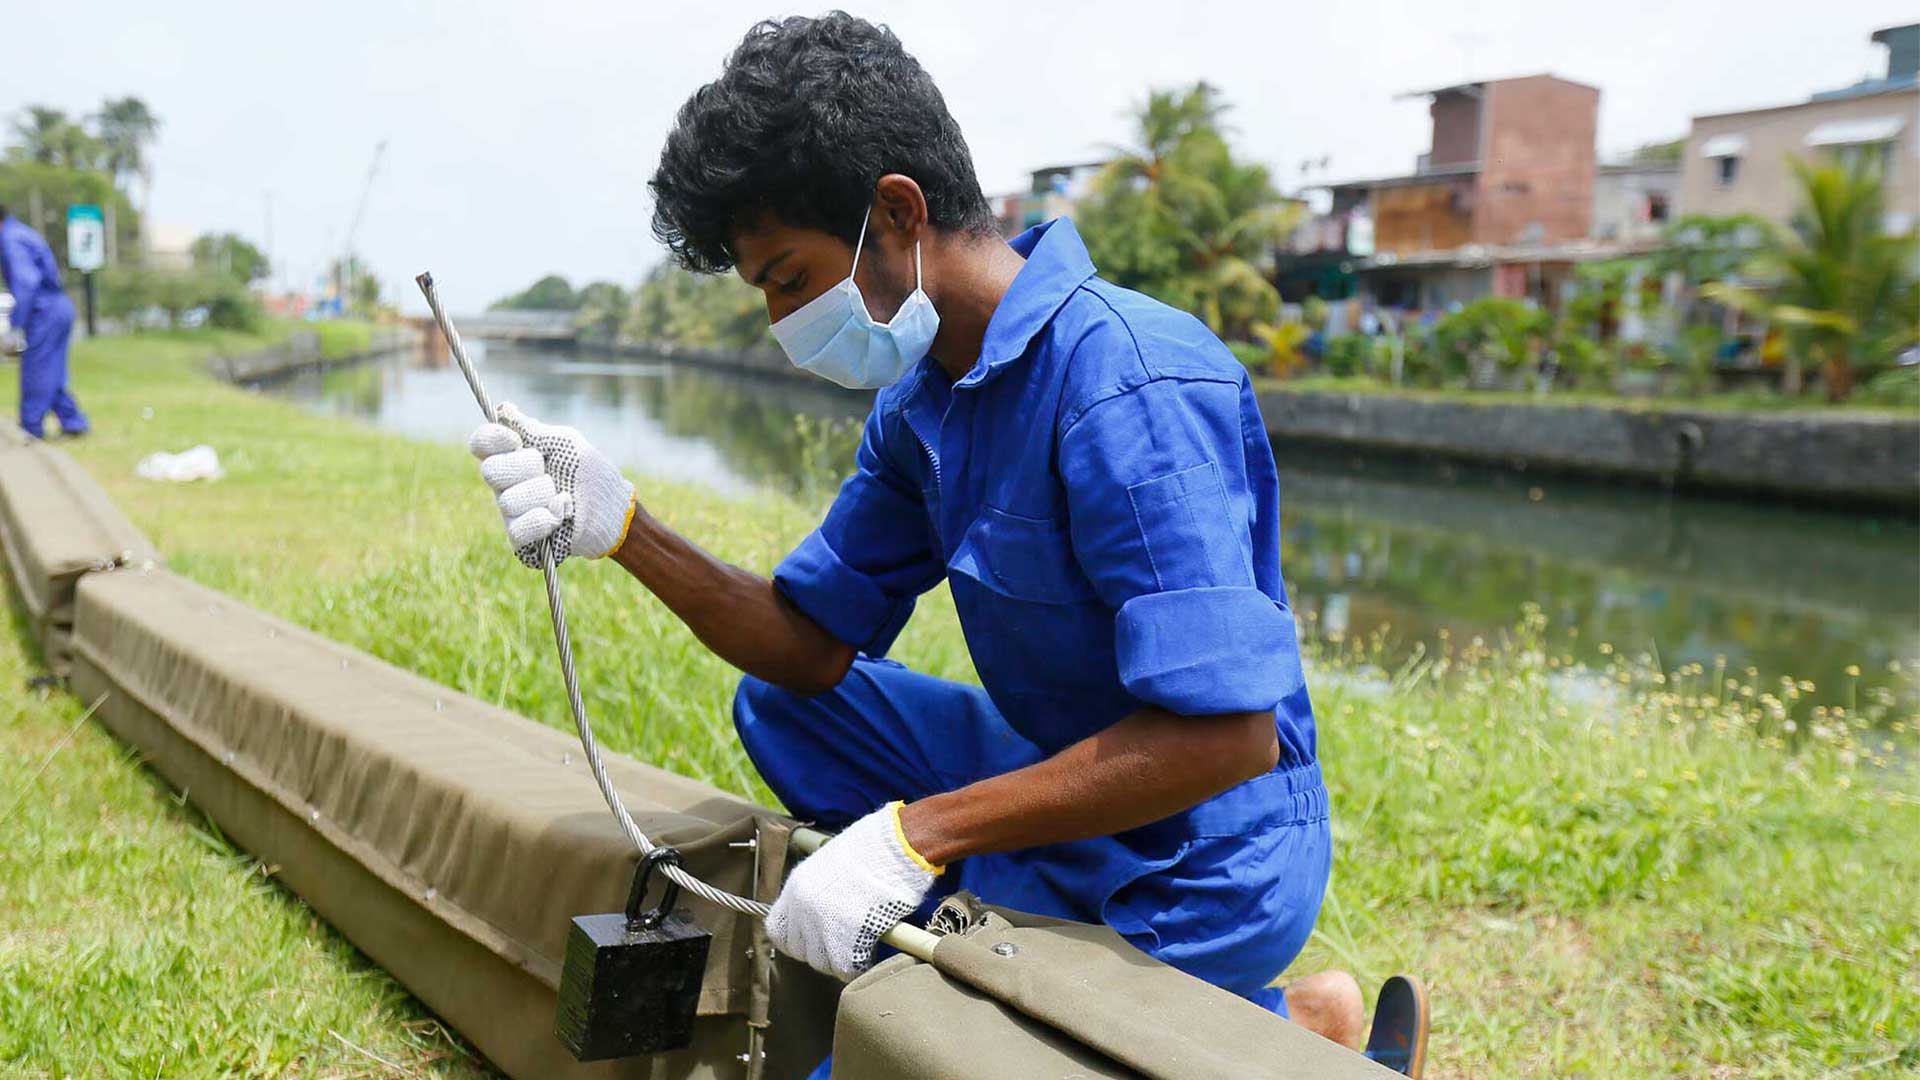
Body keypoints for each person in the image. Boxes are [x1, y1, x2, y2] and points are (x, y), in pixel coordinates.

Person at [468, 13, 1424, 1075]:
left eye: (790, 278)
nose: (786, 325)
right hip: (1069, 773)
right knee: (785, 706)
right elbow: (808, 645)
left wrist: (917, 835)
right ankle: (1157, 965)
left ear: (896, 212)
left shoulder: (1130, 381)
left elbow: (1228, 738)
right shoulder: (923, 403)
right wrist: (622, 525)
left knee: (907, 1057)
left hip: (1210, 843)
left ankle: (1289, 1035)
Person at [0, 206, 89, 440]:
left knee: (37, 368)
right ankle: (73, 422)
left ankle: (30, 428)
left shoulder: (10, 239)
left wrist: (15, 326)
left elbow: (26, 282)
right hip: (58, 306)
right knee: (53, 369)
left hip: (44, 310)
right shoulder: (20, 232)